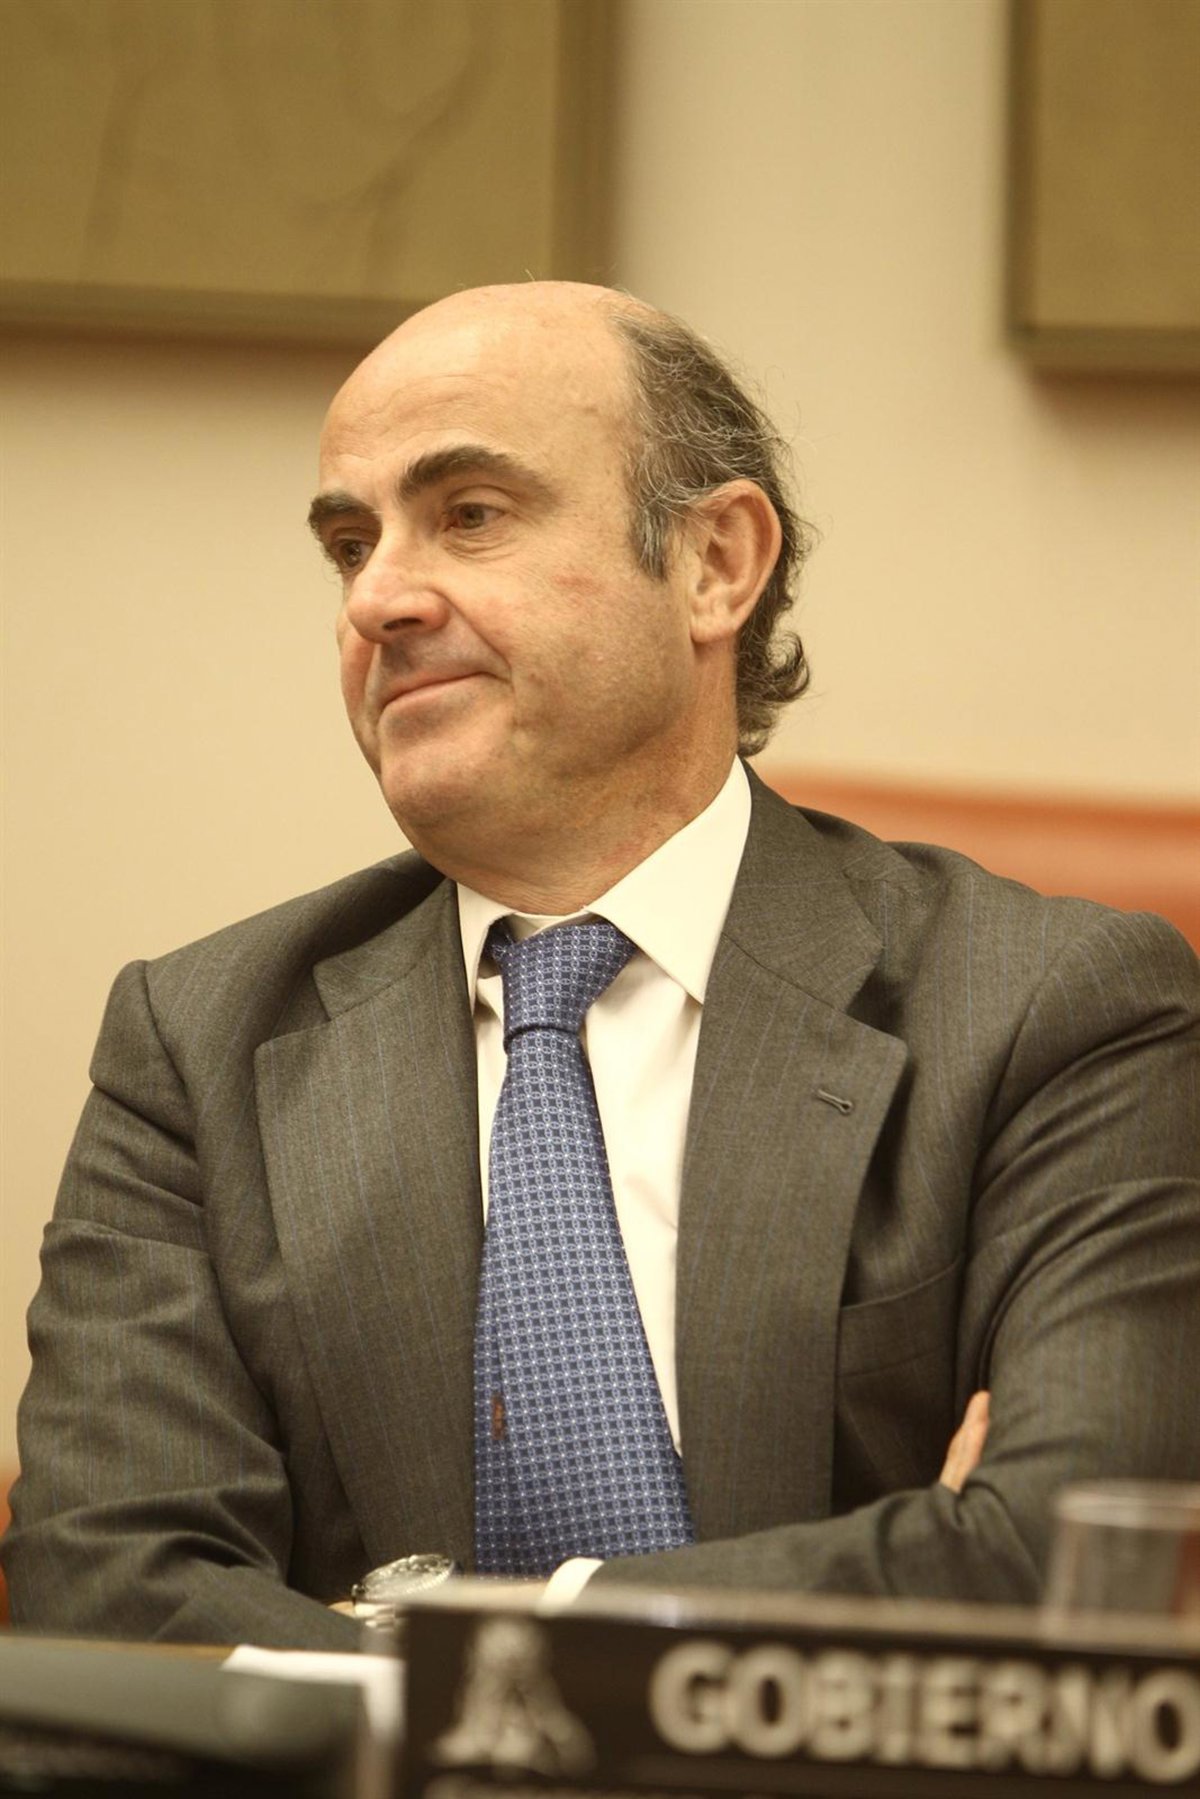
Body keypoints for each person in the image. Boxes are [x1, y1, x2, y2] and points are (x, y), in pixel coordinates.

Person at [5, 284, 1197, 1649]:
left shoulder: (1057, 1008)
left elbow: (1075, 1561)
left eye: (470, 514)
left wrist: (440, 1634)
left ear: (714, 565)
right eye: (349, 545)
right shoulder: (195, 1047)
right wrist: (902, 1561)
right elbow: (105, 1602)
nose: (378, 597)